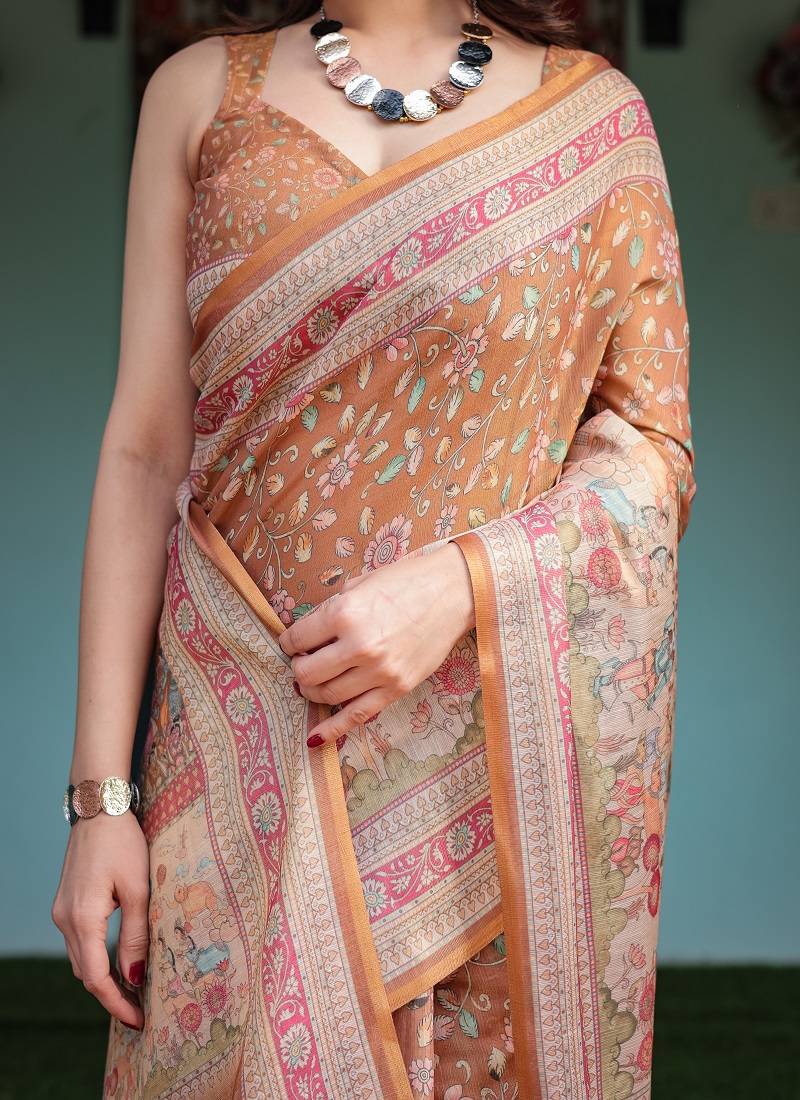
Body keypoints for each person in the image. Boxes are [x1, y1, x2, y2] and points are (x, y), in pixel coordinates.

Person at [51, 1, 698, 1097]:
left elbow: (650, 449)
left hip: (479, 769)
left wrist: (459, 583)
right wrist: (99, 802)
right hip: (234, 747)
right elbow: (144, 454)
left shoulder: (595, 122)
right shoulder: (199, 95)